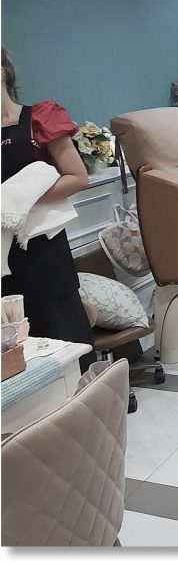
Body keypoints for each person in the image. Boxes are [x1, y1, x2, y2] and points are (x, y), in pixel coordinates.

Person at [1, 47, 95, 373]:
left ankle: (93, 396)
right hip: (3, 257)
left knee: (64, 334)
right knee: (16, 347)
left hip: (43, 252)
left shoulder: (38, 119)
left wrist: (17, 199)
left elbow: (77, 176)